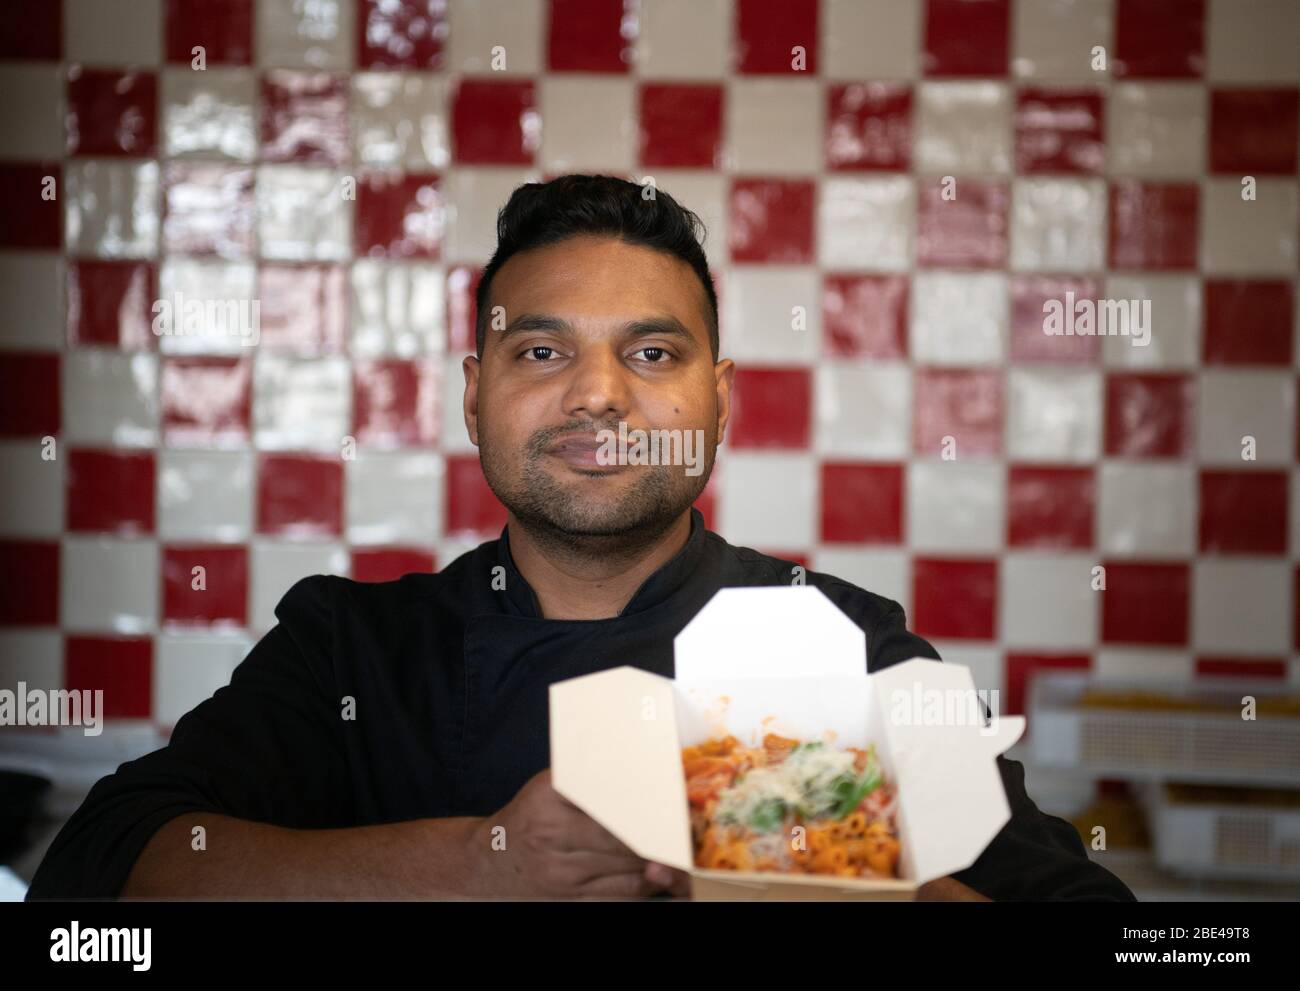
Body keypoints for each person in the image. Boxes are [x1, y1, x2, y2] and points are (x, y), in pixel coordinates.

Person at [26, 175, 1134, 901]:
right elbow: (97, 881)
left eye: (651, 354)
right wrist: (475, 862)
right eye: (541, 352)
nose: (599, 398)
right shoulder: (351, 648)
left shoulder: (832, 641)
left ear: (719, 395)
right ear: (474, 395)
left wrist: (827, 882)